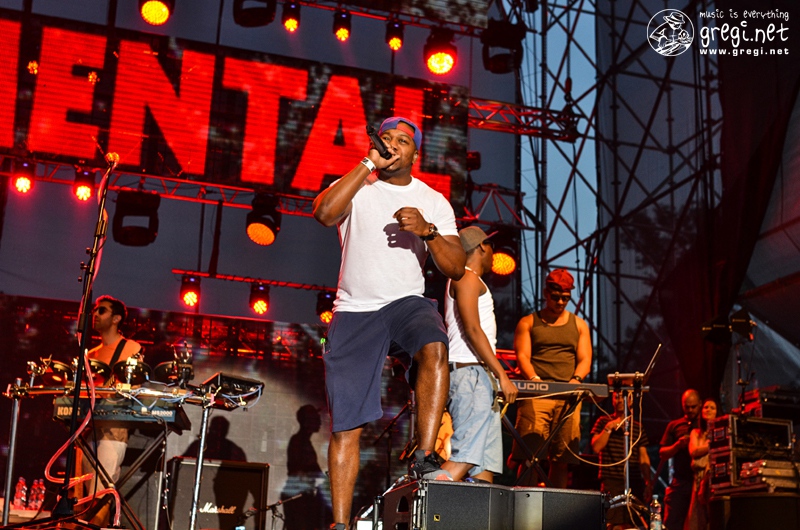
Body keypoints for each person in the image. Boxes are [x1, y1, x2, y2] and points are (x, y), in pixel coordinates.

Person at [312, 116, 466, 530]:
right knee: (346, 428)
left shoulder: (433, 200)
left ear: (416, 154)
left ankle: (425, 454)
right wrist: (367, 164)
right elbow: (323, 213)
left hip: (405, 303)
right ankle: (340, 524)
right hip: (354, 310)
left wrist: (428, 231)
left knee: (434, 343)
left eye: (403, 141)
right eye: (387, 138)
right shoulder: (358, 186)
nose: (393, 145)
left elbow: (455, 267)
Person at [440, 226, 518, 482]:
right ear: (482, 247)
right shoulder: (465, 276)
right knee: (465, 457)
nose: (493, 252)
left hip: (479, 375)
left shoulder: (469, 279)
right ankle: (420, 499)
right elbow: (473, 330)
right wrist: (502, 375)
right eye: (491, 246)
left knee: (483, 466)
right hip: (470, 373)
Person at [509, 268, 592, 488]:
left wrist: (576, 379)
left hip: (567, 397)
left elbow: (585, 359)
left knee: (562, 459)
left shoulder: (579, 325)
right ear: (546, 293)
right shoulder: (528, 322)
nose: (561, 302)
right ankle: (524, 504)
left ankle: (556, 505)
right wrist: (534, 378)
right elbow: (522, 356)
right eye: (556, 297)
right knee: (530, 458)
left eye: (566, 298)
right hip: (536, 395)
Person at [81, 295, 142, 522]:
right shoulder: (91, 354)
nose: (95, 314)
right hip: (89, 427)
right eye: (95, 310)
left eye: (102, 310)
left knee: (103, 487)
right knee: (86, 491)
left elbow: (136, 386)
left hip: (114, 425)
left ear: (116, 319)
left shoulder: (131, 347)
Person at [590, 390, 652, 529]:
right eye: (616, 397)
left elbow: (643, 456)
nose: (619, 400)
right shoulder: (604, 421)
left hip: (634, 480)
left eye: (623, 397)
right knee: (613, 522)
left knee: (633, 521)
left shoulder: (637, 427)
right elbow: (596, 447)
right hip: (611, 479)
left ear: (631, 400)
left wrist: (648, 482)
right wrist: (608, 428)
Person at [659, 389, 701, 530]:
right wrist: (678, 445)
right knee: (672, 521)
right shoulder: (674, 425)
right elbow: (662, 453)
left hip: (701, 480)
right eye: (687, 407)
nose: (690, 410)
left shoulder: (705, 423)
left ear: (700, 404)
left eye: (693, 407)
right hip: (681, 481)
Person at [685, 398, 718, 530]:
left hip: (711, 478)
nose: (708, 410)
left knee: (711, 515)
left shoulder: (719, 431)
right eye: (705, 407)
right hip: (697, 479)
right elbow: (693, 451)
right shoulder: (695, 432)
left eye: (712, 407)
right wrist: (710, 444)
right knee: (696, 519)